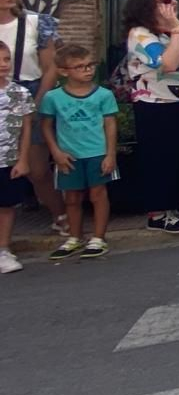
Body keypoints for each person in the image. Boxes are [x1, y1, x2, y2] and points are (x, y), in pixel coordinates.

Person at [121, 0, 179, 235]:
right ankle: (158, 213)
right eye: (166, 0)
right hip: (156, 104)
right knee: (160, 159)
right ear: (149, 6)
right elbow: (168, 63)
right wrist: (176, 31)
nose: (174, 3)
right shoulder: (140, 34)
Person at [41, 43, 119, 261]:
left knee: (98, 194)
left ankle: (98, 238)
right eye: (80, 67)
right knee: (72, 198)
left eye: (90, 65)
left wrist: (110, 154)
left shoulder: (103, 95)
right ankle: (75, 237)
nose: (88, 70)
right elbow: (46, 125)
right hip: (69, 154)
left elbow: (110, 124)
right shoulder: (53, 98)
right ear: (64, 72)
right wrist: (55, 152)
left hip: (96, 153)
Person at [0, 0, 65, 230]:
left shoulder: (36, 23)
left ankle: (59, 216)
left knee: (37, 167)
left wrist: (37, 102)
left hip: (30, 88)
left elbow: (50, 67)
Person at [0, 40, 35, 273]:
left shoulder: (19, 93)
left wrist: (23, 159)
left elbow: (26, 129)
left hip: (8, 159)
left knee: (6, 205)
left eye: (6, 59)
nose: (3, 65)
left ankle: (3, 248)